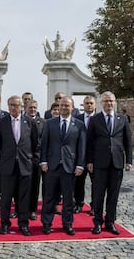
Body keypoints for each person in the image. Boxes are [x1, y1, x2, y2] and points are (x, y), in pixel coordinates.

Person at [87, 91, 132, 235]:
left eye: (111, 101)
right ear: (101, 103)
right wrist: (89, 160)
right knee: (99, 195)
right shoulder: (95, 120)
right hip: (100, 163)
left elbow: (128, 141)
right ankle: (98, 223)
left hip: (117, 163)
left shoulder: (123, 119)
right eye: (106, 101)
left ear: (115, 102)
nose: (109, 104)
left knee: (114, 195)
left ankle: (110, 222)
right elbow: (89, 142)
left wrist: (129, 160)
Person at [40, 96, 86, 236]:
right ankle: (47, 223)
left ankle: (67, 224)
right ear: (58, 107)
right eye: (62, 105)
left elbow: (81, 147)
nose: (64, 107)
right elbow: (44, 144)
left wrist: (80, 165)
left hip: (69, 167)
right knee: (49, 197)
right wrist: (43, 161)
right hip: (52, 166)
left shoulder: (79, 125)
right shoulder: (49, 123)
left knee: (68, 198)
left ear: (72, 107)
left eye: (67, 105)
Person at [0, 95, 38, 236]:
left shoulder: (30, 122)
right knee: (6, 198)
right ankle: (4, 224)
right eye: (11, 105)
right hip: (8, 166)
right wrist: (8, 156)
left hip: (25, 166)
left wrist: (30, 159)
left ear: (22, 107)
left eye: (16, 105)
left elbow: (34, 143)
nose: (13, 108)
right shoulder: (1, 122)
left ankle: (23, 224)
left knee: (23, 198)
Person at [73, 95, 96, 215]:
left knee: (96, 183)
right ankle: (78, 203)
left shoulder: (99, 119)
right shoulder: (77, 118)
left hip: (95, 157)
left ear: (95, 105)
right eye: (87, 103)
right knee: (79, 182)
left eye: (91, 103)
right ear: (83, 105)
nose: (89, 105)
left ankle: (94, 206)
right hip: (80, 156)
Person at [25, 100, 46, 221]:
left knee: (35, 185)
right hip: (23, 158)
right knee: (22, 186)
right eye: (30, 107)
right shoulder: (21, 121)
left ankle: (32, 209)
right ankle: (20, 208)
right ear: (25, 108)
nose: (33, 109)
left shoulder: (43, 122)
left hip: (37, 159)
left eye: (35, 107)